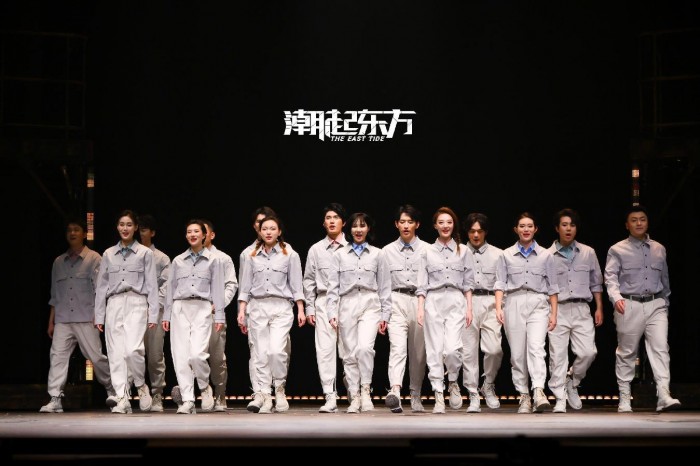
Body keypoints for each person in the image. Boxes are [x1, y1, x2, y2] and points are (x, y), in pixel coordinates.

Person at [604, 205, 681, 413]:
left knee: (661, 348)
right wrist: (616, 298)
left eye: (643, 219)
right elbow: (610, 278)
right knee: (627, 351)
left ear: (647, 222)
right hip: (629, 303)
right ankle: (624, 397)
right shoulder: (617, 249)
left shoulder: (659, 248)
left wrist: (665, 302)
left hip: (656, 303)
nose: (639, 223)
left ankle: (663, 394)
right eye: (634, 220)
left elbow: (665, 279)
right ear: (627, 225)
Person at [40, 218, 118, 413]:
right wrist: (51, 321)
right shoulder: (58, 262)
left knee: (95, 357)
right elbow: (54, 295)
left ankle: (112, 388)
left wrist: (99, 316)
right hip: (63, 319)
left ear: (84, 234)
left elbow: (100, 290)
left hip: (86, 317)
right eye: (69, 230)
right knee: (57, 357)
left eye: (76, 230)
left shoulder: (94, 258)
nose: (72, 233)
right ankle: (55, 398)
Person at [237, 215, 306, 414]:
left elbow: (296, 285)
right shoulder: (251, 255)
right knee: (260, 353)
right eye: (264, 229)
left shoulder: (289, 254)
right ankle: (266, 396)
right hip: (257, 306)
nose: (268, 232)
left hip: (281, 307)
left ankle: (280, 388)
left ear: (279, 231)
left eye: (272, 228)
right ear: (259, 231)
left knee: (276, 351)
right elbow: (245, 286)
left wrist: (301, 309)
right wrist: (242, 310)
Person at [94, 210, 159, 414]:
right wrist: (99, 315)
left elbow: (152, 285)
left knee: (133, 350)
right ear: (117, 227)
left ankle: (140, 385)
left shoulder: (145, 253)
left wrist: (153, 313)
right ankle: (122, 398)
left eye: (129, 225)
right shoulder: (108, 254)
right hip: (114, 303)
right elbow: (101, 286)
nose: (125, 228)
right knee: (115, 354)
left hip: (136, 302)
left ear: (136, 228)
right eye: (122, 224)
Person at [327, 212, 391, 414]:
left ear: (368, 228)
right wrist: (331, 312)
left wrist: (386, 314)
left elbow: (385, 286)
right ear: (349, 229)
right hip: (346, 303)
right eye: (355, 226)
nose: (358, 229)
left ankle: (365, 390)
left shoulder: (378, 254)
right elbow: (332, 287)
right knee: (349, 353)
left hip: (370, 303)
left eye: (362, 226)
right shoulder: (339, 255)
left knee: (364, 348)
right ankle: (354, 395)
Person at [494, 212, 558, 414]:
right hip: (513, 302)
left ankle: (538, 391)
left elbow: (553, 287)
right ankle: (524, 395)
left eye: (530, 226)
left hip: (538, 302)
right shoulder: (506, 255)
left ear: (535, 229)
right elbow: (500, 283)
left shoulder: (546, 255)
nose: (526, 229)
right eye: (522, 226)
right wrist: (498, 308)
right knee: (517, 353)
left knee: (536, 347)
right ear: (516, 229)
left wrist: (554, 313)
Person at [416, 206, 474, 414]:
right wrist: (420, 308)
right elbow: (421, 284)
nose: (445, 226)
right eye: (441, 222)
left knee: (451, 349)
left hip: (456, 301)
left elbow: (468, 283)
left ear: (454, 225)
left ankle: (452, 381)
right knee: (434, 349)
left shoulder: (464, 250)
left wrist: (469, 308)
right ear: (435, 226)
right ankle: (438, 395)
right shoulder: (427, 251)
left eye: (449, 222)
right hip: (434, 300)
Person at [163, 219, 225, 414]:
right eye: (189, 231)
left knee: (197, 355)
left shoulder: (214, 260)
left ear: (204, 235)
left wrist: (220, 316)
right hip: (180, 307)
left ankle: (204, 386)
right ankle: (188, 400)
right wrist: (166, 315)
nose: (192, 235)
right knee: (180, 356)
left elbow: (218, 289)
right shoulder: (178, 260)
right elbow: (170, 289)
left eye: (196, 231)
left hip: (203, 307)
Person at [547, 209, 603, 413]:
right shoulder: (547, 255)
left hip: (581, 308)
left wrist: (599, 307)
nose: (568, 229)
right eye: (564, 225)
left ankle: (573, 380)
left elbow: (596, 282)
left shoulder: (588, 252)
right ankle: (559, 397)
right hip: (558, 309)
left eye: (572, 225)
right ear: (557, 228)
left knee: (589, 352)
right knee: (557, 356)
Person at [382, 204, 429, 414]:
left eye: (410, 222)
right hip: (396, 299)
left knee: (418, 352)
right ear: (396, 224)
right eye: (402, 222)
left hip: (420, 301)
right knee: (397, 348)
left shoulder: (428, 249)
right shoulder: (387, 251)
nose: (406, 226)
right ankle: (395, 391)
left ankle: (416, 394)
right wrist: (383, 313)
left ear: (417, 224)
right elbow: (382, 285)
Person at [303, 203, 349, 413]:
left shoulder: (352, 247)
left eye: (336, 217)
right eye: (328, 218)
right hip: (323, 302)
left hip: (347, 301)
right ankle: (330, 395)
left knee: (350, 350)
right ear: (323, 223)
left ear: (343, 222)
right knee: (325, 351)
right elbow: (308, 281)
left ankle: (354, 389)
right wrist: (310, 308)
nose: (332, 221)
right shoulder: (316, 249)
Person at [460, 212, 504, 413]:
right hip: (466, 302)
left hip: (490, 302)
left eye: (479, 231)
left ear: (485, 232)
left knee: (494, 349)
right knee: (468, 351)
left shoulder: (498, 254)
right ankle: (472, 393)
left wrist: (500, 307)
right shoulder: (459, 252)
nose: (476, 235)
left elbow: (501, 283)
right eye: (472, 231)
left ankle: (488, 384)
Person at [202, 219, 238, 411]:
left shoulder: (222, 258)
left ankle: (220, 394)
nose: (199, 235)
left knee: (217, 357)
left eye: (204, 231)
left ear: (211, 235)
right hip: (193, 313)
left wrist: (219, 304)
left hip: (214, 314)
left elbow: (231, 284)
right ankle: (202, 390)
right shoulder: (185, 259)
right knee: (194, 356)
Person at [138, 214, 171, 412]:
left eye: (144, 230)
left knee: (155, 355)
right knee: (133, 353)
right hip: (133, 311)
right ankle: (137, 391)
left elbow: (166, 286)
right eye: (139, 230)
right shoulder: (130, 256)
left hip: (155, 312)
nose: (140, 233)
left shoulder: (161, 258)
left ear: (152, 233)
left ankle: (157, 393)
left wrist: (153, 307)